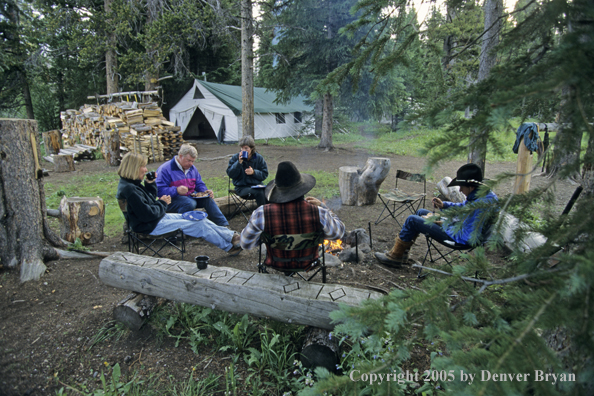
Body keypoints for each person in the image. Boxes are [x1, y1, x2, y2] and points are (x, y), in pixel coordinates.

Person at [117, 152, 242, 256]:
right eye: (143, 166)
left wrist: (150, 184)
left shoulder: (132, 184)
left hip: (156, 219)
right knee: (198, 226)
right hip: (150, 225)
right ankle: (229, 247)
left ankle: (231, 236)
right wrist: (162, 203)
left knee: (199, 217)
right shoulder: (130, 189)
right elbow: (147, 214)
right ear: (133, 167)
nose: (145, 170)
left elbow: (148, 202)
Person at [374, 163, 498, 267]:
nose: (459, 190)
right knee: (421, 212)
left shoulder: (481, 205)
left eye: (461, 186)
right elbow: (464, 209)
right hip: (461, 230)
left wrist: (439, 222)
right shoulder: (482, 195)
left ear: (470, 187)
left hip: (461, 238)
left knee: (412, 220)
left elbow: (464, 231)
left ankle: (395, 257)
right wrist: (444, 205)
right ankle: (402, 254)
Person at [240, 161, 345, 271]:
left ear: (278, 190)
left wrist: (263, 238)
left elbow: (245, 244)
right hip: (309, 263)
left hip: (276, 264)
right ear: (302, 188)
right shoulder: (319, 213)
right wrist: (324, 207)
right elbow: (338, 233)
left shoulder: (261, 214)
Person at [156, 144, 229, 226]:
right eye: (188, 160)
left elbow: (199, 183)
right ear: (180, 156)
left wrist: (205, 191)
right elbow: (158, 190)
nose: (191, 164)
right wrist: (176, 190)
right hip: (171, 201)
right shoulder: (165, 169)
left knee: (208, 199)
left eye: (193, 161)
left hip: (190, 197)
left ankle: (223, 225)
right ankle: (180, 228)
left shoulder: (192, 169)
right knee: (189, 203)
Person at [226, 136, 269, 207]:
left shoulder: (258, 158)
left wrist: (254, 172)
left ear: (251, 148)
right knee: (259, 193)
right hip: (241, 188)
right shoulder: (235, 158)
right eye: (242, 148)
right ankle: (263, 213)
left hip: (257, 186)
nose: (243, 150)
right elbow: (231, 174)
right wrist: (238, 163)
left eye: (246, 148)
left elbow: (264, 174)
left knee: (268, 190)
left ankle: (269, 212)